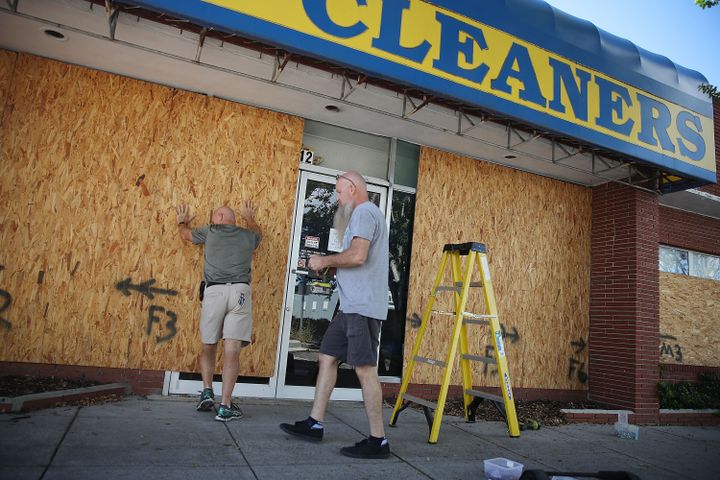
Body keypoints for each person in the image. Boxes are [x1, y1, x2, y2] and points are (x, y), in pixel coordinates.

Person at [280, 171, 391, 459]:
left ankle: (378, 440)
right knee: (326, 357)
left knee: (365, 369)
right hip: (350, 307)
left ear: (353, 189)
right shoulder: (365, 215)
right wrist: (334, 268)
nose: (338, 199)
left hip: (362, 308)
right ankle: (315, 424)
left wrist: (325, 260)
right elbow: (355, 259)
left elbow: (357, 256)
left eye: (340, 193)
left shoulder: (364, 212)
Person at [175, 202, 261, 422]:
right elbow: (259, 236)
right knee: (232, 350)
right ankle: (225, 406)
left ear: (221, 218)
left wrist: (182, 221)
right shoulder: (246, 235)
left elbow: (185, 234)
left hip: (214, 292)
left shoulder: (210, 231)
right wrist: (250, 217)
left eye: (214, 216)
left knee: (208, 343)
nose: (213, 220)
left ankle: (206, 391)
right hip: (240, 293)